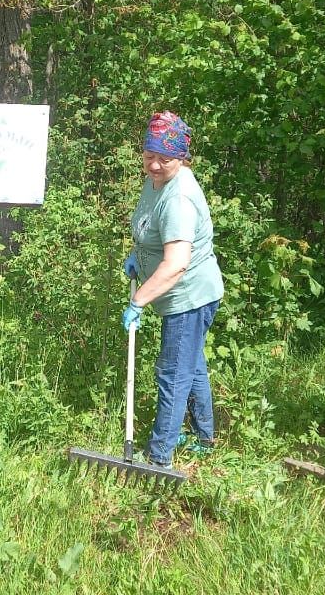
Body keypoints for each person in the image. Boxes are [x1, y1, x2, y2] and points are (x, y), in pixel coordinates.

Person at [121, 110, 224, 467]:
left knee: (173, 372)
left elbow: (177, 263)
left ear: (180, 157)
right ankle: (204, 436)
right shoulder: (155, 181)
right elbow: (150, 227)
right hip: (176, 295)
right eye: (149, 156)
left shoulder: (179, 198)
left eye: (163, 159)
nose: (153, 165)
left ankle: (159, 456)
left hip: (189, 297)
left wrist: (138, 301)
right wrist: (138, 254)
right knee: (190, 364)